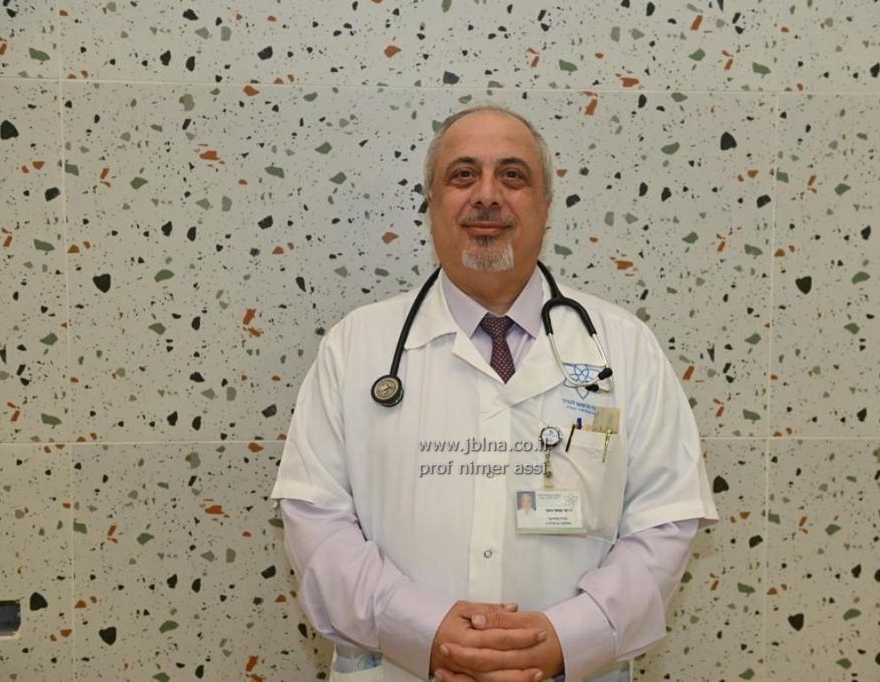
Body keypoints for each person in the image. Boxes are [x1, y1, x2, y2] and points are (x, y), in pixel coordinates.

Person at [271, 104, 718, 682]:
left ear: (546, 206)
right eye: (463, 175)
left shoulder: (624, 346)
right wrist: (425, 632)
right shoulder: (355, 347)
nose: (487, 195)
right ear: (432, 203)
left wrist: (565, 639)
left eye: (512, 175)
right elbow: (315, 521)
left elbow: (665, 520)